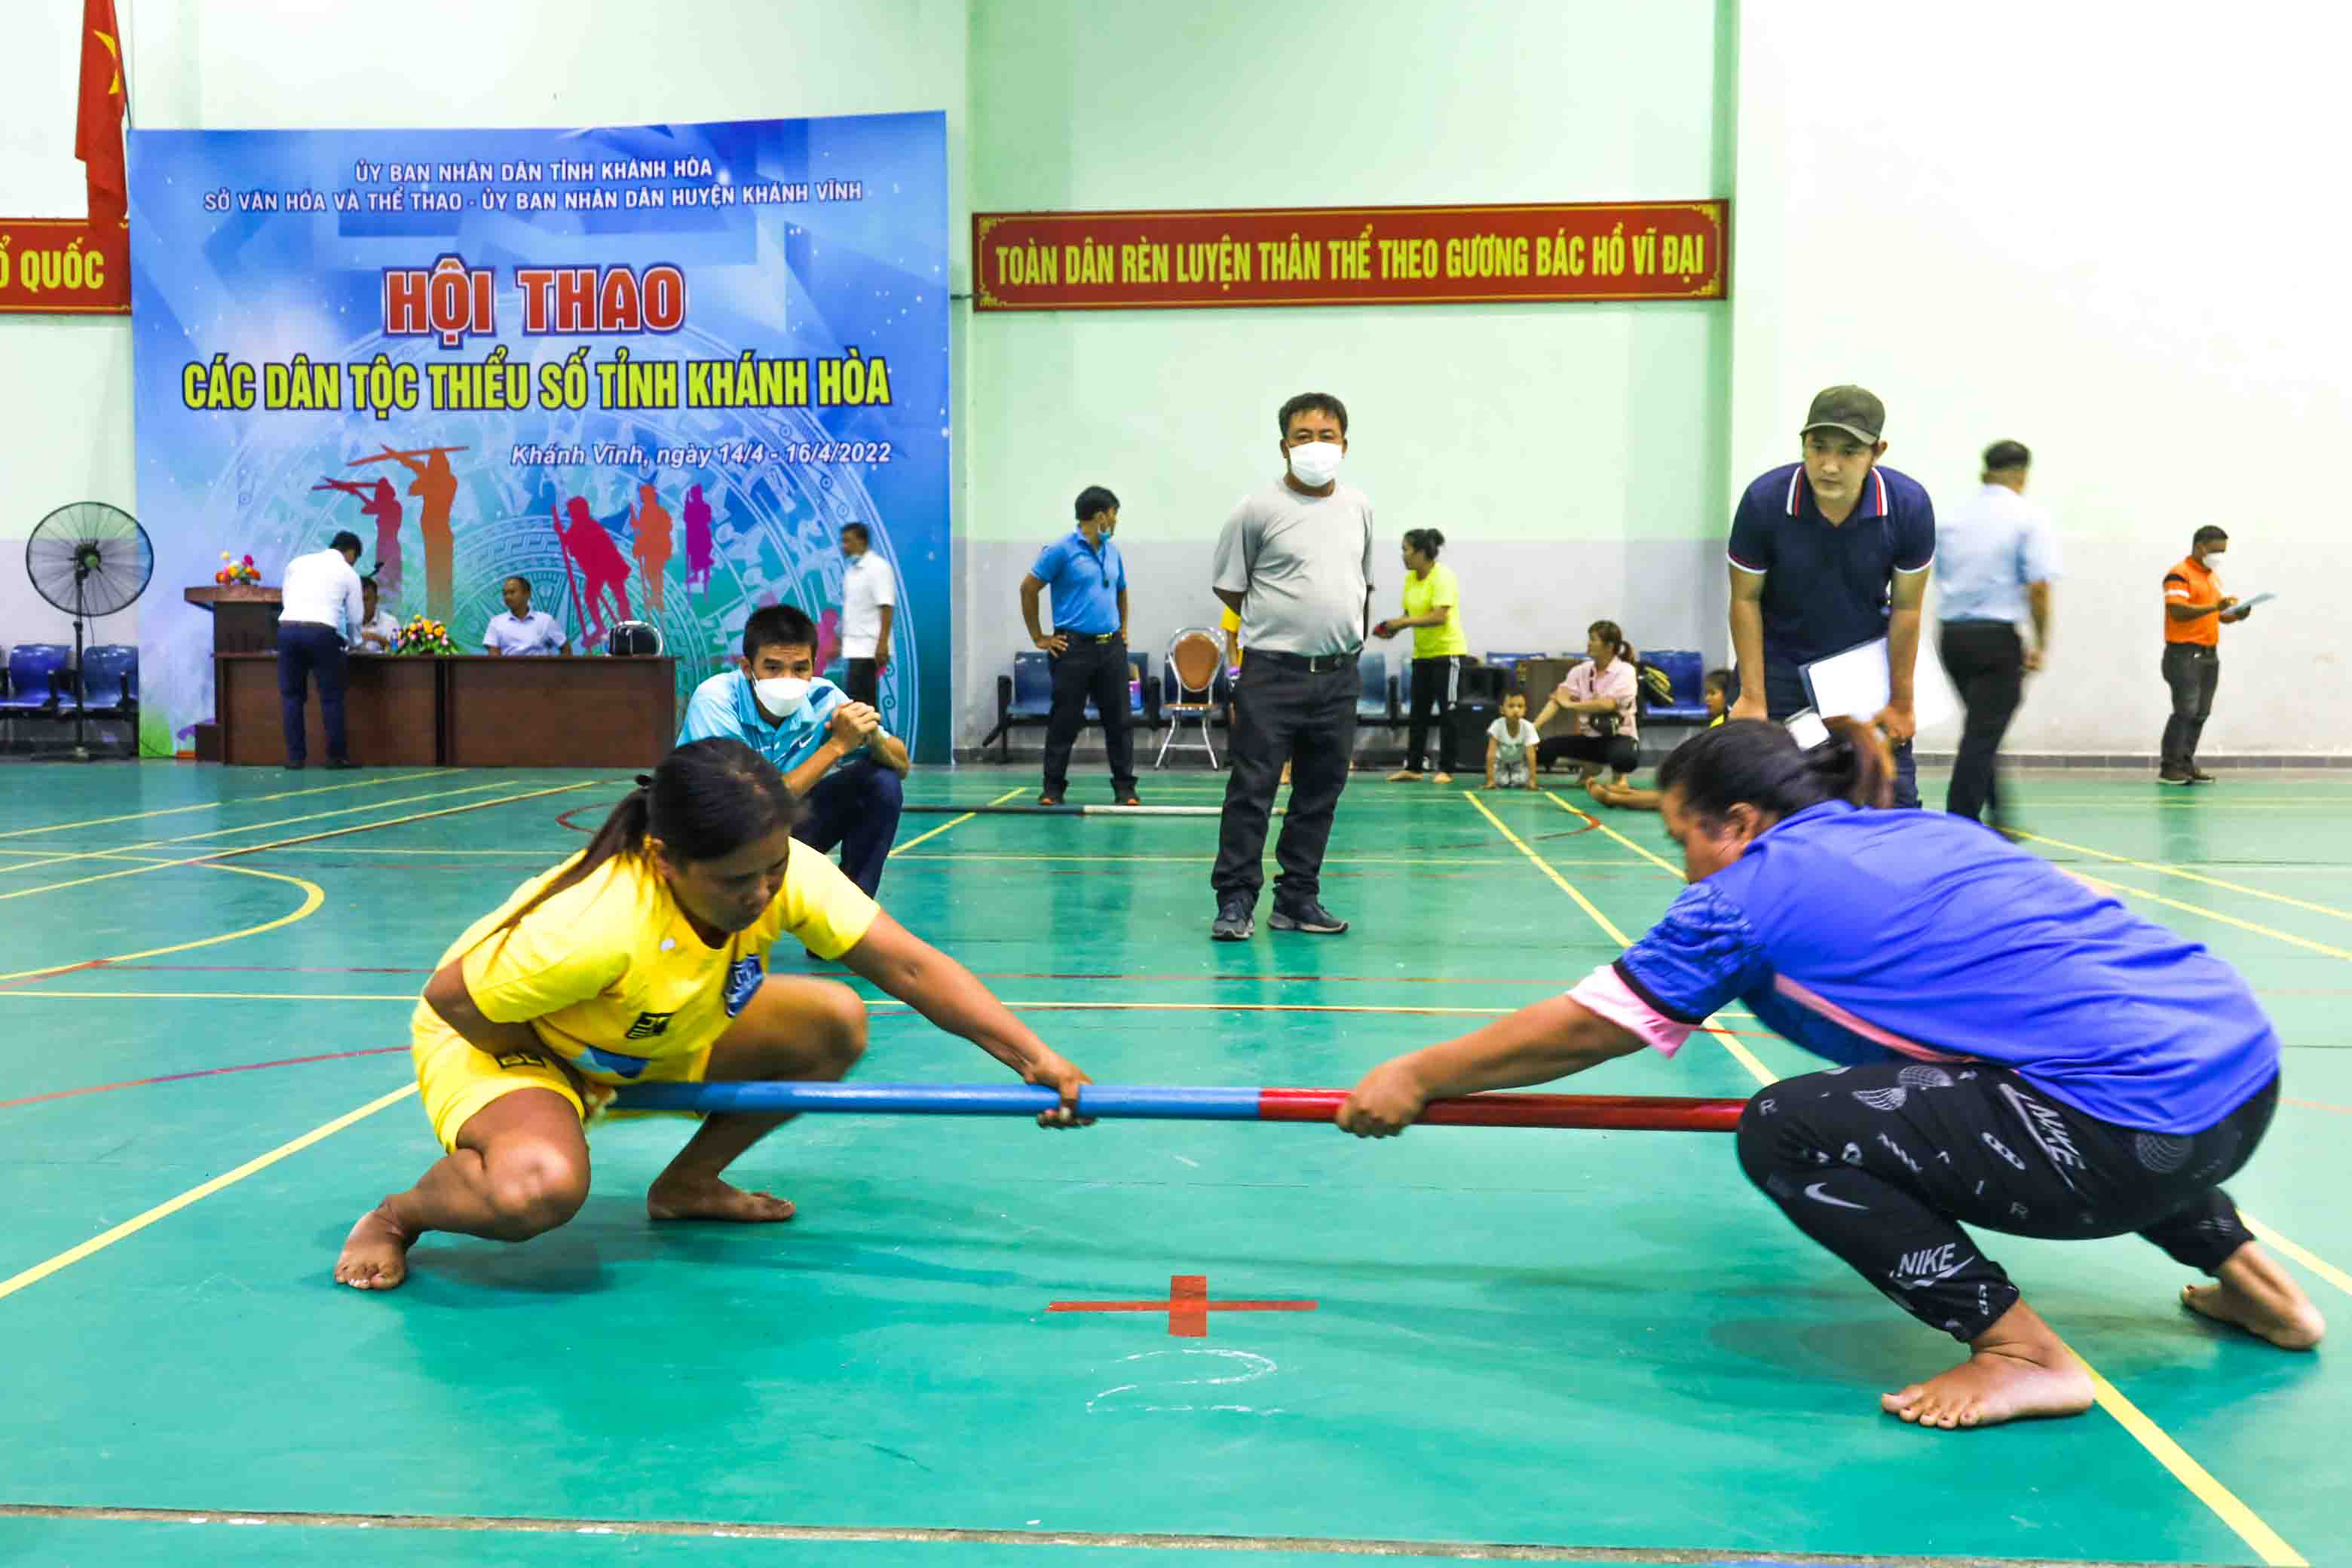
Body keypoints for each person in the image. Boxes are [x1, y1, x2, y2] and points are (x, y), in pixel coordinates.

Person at [1336, 718, 2323, 1429]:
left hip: (2119, 1141)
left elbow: (1596, 1025)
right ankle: (2262, 1291)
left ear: (1737, 820)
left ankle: (2023, 1355)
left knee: (1785, 1126)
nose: (1683, 866)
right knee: (2063, 1069)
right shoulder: (1933, 830)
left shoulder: (1742, 896)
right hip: (2239, 1080)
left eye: (1682, 840)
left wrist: (1418, 1075)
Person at [332, 738, 1092, 1291]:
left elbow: (910, 964)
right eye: (737, 881)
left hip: (644, 1025)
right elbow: (451, 996)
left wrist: (1034, 1058)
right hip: (507, 1034)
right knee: (539, 1186)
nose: (762, 894)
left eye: (772, 868)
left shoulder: (782, 870)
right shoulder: (595, 925)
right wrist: (564, 1081)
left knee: (835, 1022)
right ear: (667, 861)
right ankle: (398, 1215)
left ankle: (687, 1186)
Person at [1209, 392, 1375, 941]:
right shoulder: (1255, 510)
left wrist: (1338, 642)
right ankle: (1235, 900)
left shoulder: (1360, 508)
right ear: (1284, 446)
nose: (1316, 446)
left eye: (1326, 436)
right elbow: (1230, 587)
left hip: (1337, 677)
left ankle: (1298, 899)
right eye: (1303, 437)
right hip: (1270, 676)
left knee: (1320, 792)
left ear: (1345, 445)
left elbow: (1361, 586)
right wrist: (1282, 630)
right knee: (1252, 789)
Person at [1727, 384, 1935, 808]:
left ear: (1877, 452)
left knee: (1891, 802)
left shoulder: (1908, 506)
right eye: (1818, 447)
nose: (1829, 466)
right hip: (1778, 668)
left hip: (1862, 674)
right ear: (1802, 444)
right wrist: (1753, 696)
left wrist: (1901, 702)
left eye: (1849, 452)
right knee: (1763, 805)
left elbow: (1908, 609)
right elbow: (1745, 599)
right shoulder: (1764, 501)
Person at [678, 605, 910, 899]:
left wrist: (871, 734)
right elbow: (747, 807)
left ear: (814, 667)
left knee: (881, 782)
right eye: (773, 668)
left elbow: (902, 765)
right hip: (715, 838)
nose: (787, 678)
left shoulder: (825, 697)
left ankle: (847, 919)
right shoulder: (716, 701)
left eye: (800, 668)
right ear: (748, 668)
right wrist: (837, 746)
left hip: (779, 828)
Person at [1937, 440, 2060, 825]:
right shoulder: (2028, 517)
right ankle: (1960, 825)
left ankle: (2001, 815)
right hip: (1996, 640)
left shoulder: (1952, 517)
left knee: (1981, 730)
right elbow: (2039, 588)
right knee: (1981, 737)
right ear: (2022, 474)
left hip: (1953, 639)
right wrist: (2041, 642)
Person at [1021, 486, 1138, 807]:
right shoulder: (1060, 550)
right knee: (1065, 721)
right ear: (1100, 516)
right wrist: (1039, 637)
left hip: (1111, 649)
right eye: (1114, 514)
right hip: (1073, 649)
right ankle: (1053, 788)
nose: (1115, 522)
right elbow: (1029, 588)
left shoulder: (1113, 552)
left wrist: (1123, 629)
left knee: (1120, 720)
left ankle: (1125, 789)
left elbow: (1122, 592)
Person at [2161, 525, 2253, 786]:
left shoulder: (2212, 577)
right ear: (2200, 546)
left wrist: (2236, 614)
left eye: (2223, 552)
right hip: (2184, 655)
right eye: (2216, 551)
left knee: (2201, 713)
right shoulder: (2179, 575)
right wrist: (2215, 606)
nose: (2219, 556)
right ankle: (2169, 768)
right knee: (2185, 712)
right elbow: (2177, 611)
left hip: (2209, 655)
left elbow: (2218, 616)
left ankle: (2185, 764)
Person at [1374, 528, 1467, 784]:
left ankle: (1447, 769)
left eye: (1406, 549)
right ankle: (1413, 767)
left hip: (1448, 654)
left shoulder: (1443, 576)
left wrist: (1402, 623)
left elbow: (1439, 616)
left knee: (1448, 713)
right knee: (1418, 713)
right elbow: (1409, 616)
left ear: (1421, 553)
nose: (1403, 555)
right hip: (1422, 655)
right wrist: (1391, 629)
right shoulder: (1410, 580)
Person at [276, 530, 367, 770]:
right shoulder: (348, 573)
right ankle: (336, 758)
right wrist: (355, 643)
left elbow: (286, 599)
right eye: (355, 558)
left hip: (287, 630)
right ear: (350, 553)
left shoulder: (298, 563)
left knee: (292, 698)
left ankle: (295, 758)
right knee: (331, 698)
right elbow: (356, 617)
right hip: (322, 633)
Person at [1588, 669, 1730, 811]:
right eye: (1706, 694)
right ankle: (1624, 792)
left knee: (1670, 799)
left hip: (1721, 792)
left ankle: (1613, 799)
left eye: (1713, 693)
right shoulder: (1718, 722)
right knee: (1671, 793)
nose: (1707, 699)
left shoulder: (1727, 724)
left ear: (1729, 697)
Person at [1533, 620, 1640, 786]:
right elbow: (1557, 700)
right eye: (1589, 639)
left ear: (1609, 646)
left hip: (1619, 738)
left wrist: (1572, 706)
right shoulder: (1580, 671)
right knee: (1539, 750)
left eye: (1593, 639)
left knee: (1624, 757)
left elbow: (1608, 704)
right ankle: (1590, 766)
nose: (1588, 644)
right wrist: (1533, 727)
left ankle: (1619, 776)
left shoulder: (1626, 671)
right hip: (1589, 739)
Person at [1220, 603, 1288, 787]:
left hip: (1278, 669)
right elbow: (1230, 638)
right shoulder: (1236, 603)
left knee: (1283, 722)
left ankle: (1285, 768)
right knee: (1250, 726)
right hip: (1248, 673)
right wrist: (1235, 671)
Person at [838, 523, 896, 709]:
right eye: (843, 541)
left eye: (848, 541)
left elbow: (886, 606)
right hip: (854, 646)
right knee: (859, 699)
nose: (844, 546)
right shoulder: (851, 572)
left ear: (862, 541)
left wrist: (882, 644)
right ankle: (866, 737)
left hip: (869, 646)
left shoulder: (878, 568)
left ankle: (871, 737)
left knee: (862, 700)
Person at [482, 576, 571, 657]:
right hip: (508, 673)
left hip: (541, 672)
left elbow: (566, 649)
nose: (507, 597)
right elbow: (494, 656)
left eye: (512, 592)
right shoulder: (496, 622)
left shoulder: (546, 620)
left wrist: (554, 672)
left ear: (527, 594)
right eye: (505, 593)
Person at [631, 483, 675, 613]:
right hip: (655, 548)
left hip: (657, 548)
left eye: (643, 495)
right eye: (641, 496)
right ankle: (656, 598)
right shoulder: (648, 510)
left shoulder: (654, 511)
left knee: (653, 572)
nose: (642, 498)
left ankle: (657, 599)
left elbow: (649, 530)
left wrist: (639, 545)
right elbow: (645, 528)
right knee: (652, 572)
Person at [1484, 690, 1539, 791]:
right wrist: (1490, 780)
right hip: (1500, 762)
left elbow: (1531, 755)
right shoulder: (1497, 725)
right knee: (1501, 782)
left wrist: (1532, 781)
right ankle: (1501, 776)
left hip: (1519, 762)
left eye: (1520, 706)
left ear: (1525, 710)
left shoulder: (1528, 727)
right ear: (1502, 710)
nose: (1516, 710)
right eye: (1511, 706)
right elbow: (1491, 754)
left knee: (1521, 782)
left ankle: (1516, 775)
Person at [356, 574, 401, 651]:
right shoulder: (344, 623)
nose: (361, 604)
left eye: (366, 599)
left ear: (376, 600)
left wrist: (377, 638)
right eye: (357, 599)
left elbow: (398, 650)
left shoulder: (390, 622)